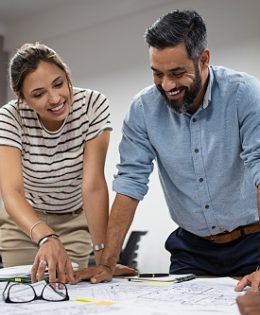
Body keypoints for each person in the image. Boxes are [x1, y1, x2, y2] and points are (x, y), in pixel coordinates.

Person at [71, 9, 260, 285]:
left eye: (177, 73)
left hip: (253, 244)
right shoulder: (143, 110)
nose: (167, 85)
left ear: (204, 59)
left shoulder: (244, 95)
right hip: (192, 248)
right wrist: (107, 263)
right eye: (157, 74)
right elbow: (130, 183)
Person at [0, 43, 136, 284]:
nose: (54, 99)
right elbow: (12, 192)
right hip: (25, 224)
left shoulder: (93, 105)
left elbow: (92, 185)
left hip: (74, 222)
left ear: (67, 75)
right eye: (38, 94)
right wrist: (45, 237)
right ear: (22, 98)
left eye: (59, 84)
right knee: (23, 296)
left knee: (68, 295)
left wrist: (105, 260)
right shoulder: (10, 117)